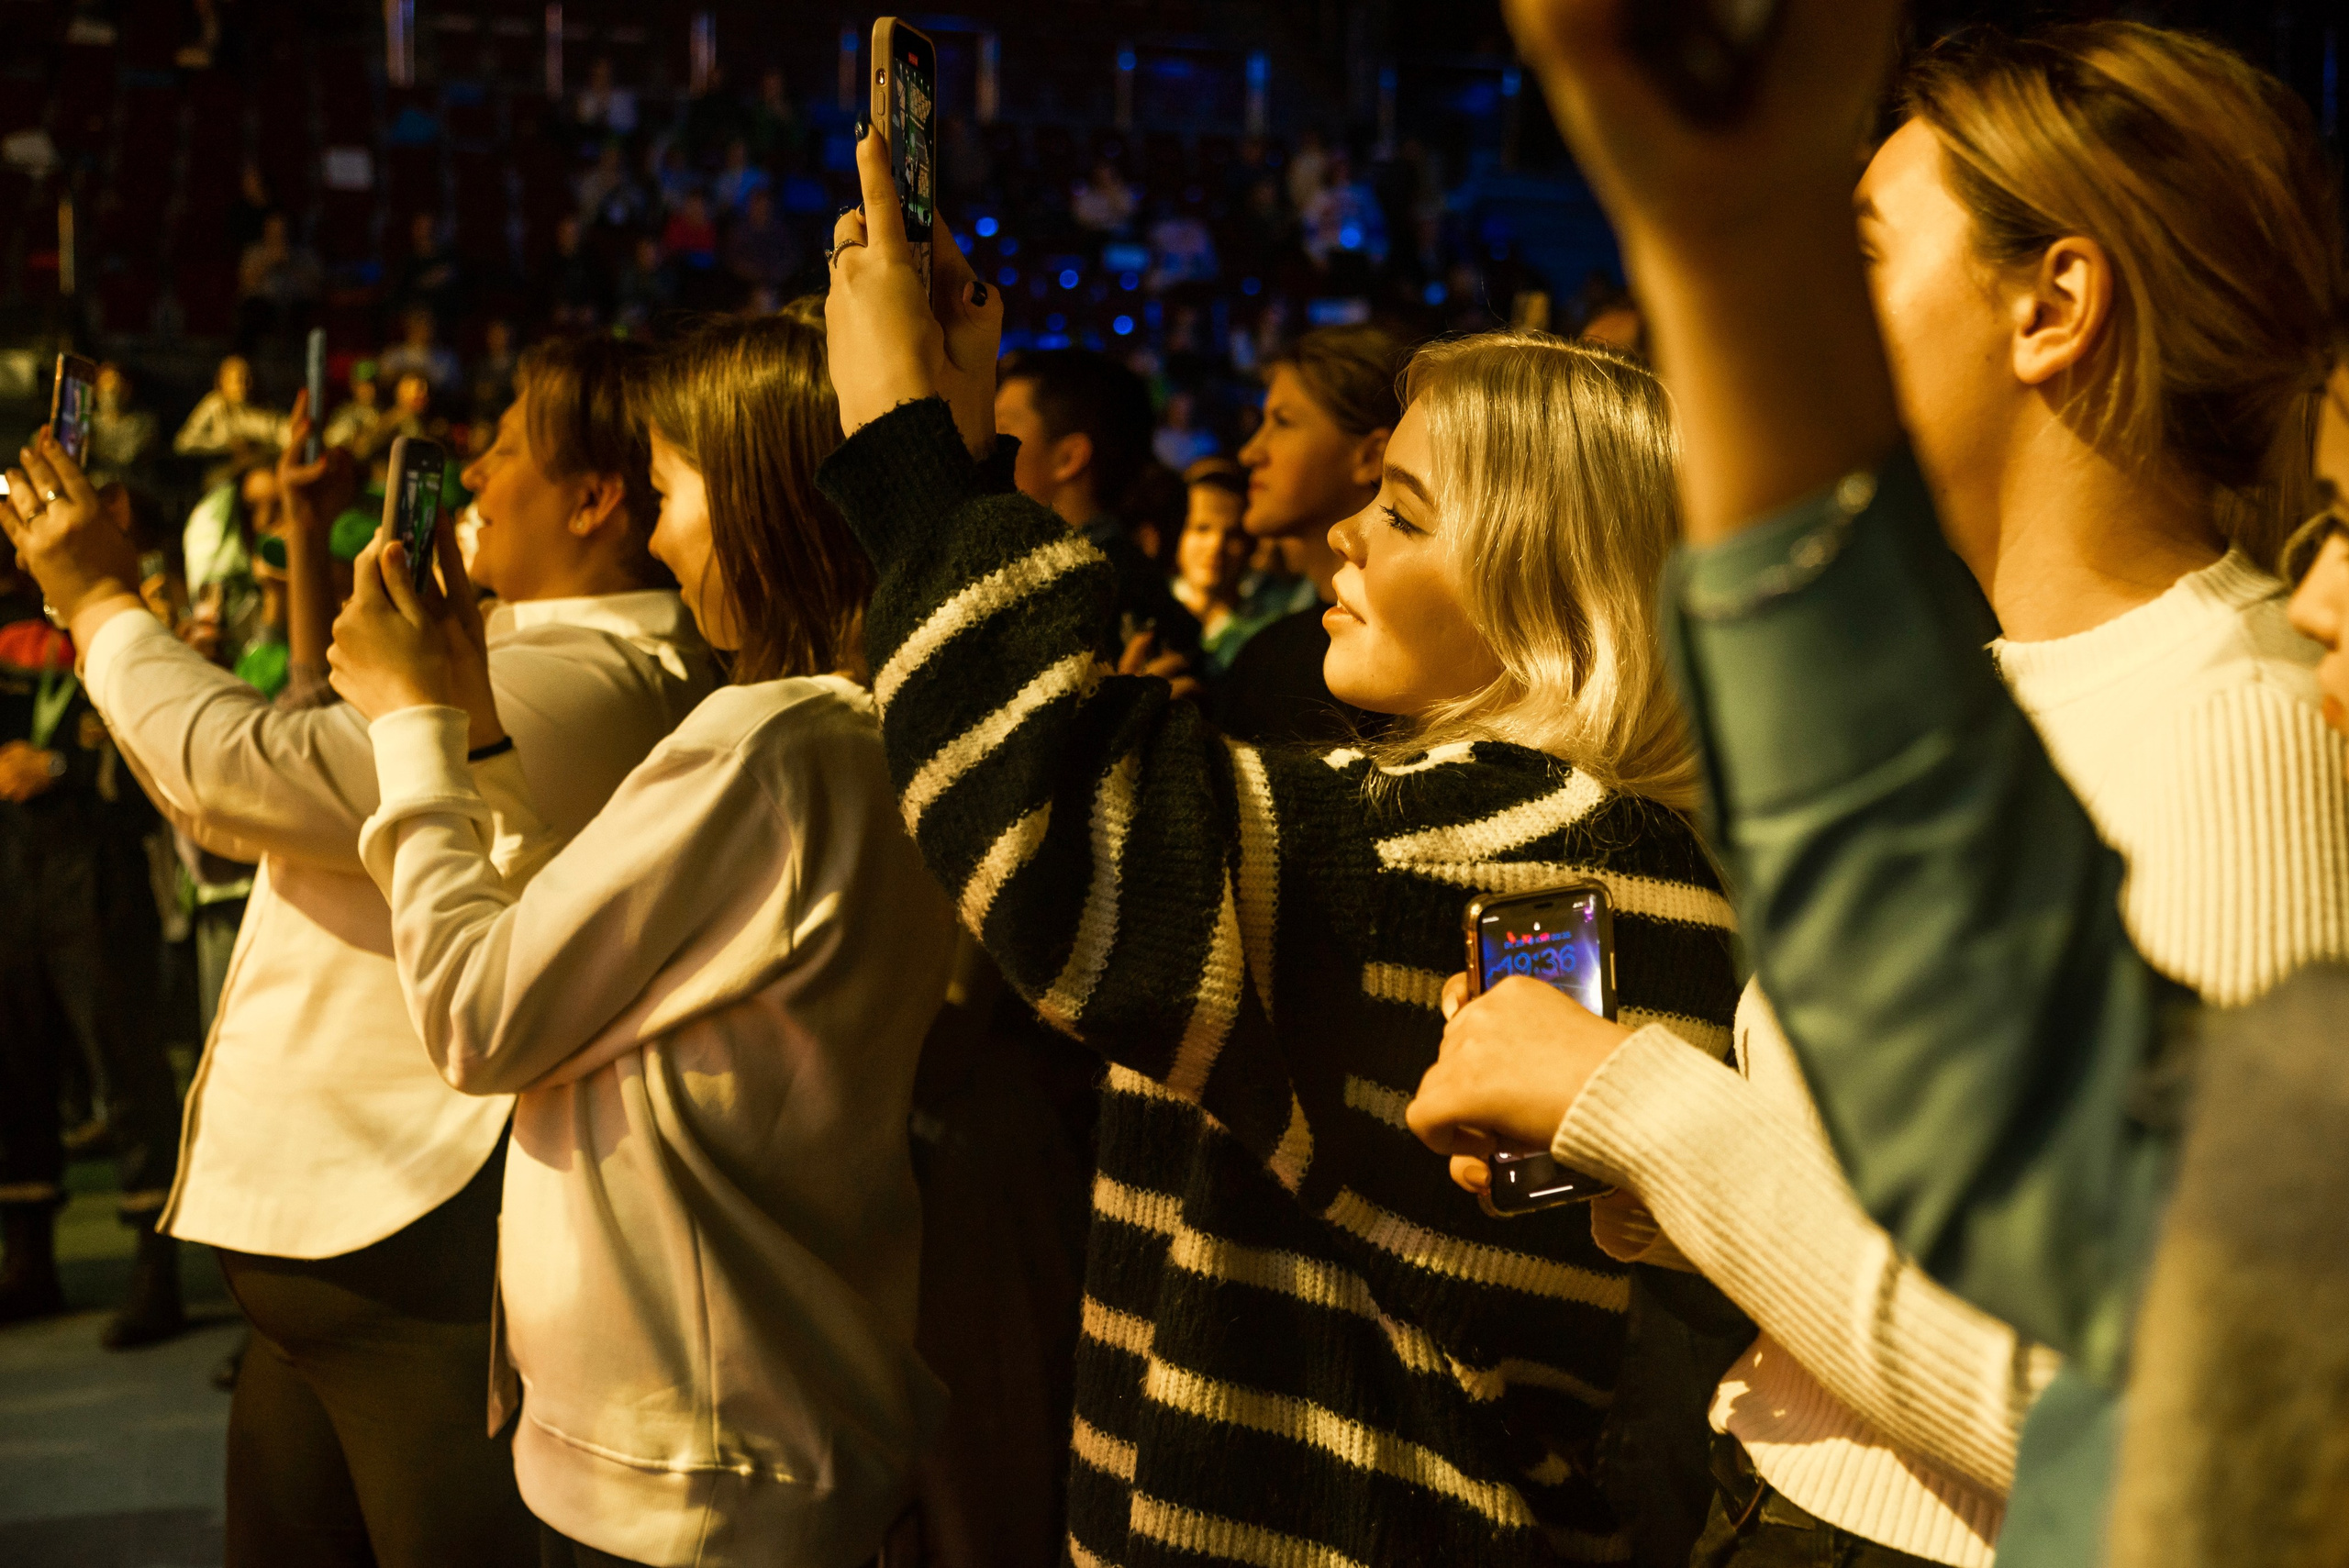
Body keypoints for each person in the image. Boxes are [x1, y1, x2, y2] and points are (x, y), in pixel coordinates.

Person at [1411, 18, 2348, 1567]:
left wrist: (1637, 1102)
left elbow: (2153, 1409)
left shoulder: (2235, 718)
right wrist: (1655, 1161)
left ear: (2053, 306)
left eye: (1857, 242)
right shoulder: (2004, 683)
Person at [824, 132, 1741, 1567]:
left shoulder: (1520, 848)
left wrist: (903, 440)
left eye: (1405, 513)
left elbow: (1055, 830)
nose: (1343, 546)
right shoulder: (1582, 836)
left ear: (1550, 584)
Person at [0, 335, 718, 1568]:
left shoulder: (591, 675)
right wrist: (310, 549)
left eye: (500, 451)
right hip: (340, 1270)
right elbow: (318, 758)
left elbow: (239, 780)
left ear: (597, 499)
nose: (473, 479)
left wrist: (95, 598)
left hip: (414, 1263)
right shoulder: (509, 649)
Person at [324, 300, 952, 1568]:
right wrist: (477, 722)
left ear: (766, 502)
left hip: (691, 1464)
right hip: (770, 1419)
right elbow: (575, 951)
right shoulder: (879, 725)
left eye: (671, 491)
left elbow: (480, 1013)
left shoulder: (765, 744)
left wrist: (408, 729)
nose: (664, 538)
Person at [0, 544, 185, 1349]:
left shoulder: (123, 630)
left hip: (98, 871)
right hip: (11, 870)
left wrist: (62, 763)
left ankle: (157, 1268)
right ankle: (28, 1260)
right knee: (15, 1064)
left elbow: (154, 751)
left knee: (127, 1069)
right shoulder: (6, 636)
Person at [1219, 325, 1408, 743]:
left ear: (1371, 456)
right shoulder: (1272, 655)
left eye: (1282, 423)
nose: (1250, 453)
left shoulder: (1403, 665)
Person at [993, 349, 1203, 664]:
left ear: (1069, 458)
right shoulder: (1095, 574)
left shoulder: (1087, 595)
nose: (985, 444)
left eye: (1002, 428)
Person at [1171, 463, 1275, 676]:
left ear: (1250, 544)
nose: (1216, 545)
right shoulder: (1141, 607)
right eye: (1201, 528)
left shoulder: (1266, 634)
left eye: (1233, 534)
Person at [173, 356, 288, 489]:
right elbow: (183, 443)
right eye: (237, 380)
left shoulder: (263, 410)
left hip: (262, 473)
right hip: (224, 477)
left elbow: (285, 436)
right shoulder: (215, 405)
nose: (243, 386)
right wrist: (227, 444)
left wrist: (260, 447)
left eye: (248, 379)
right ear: (222, 381)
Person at [378, 305, 461, 395]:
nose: (423, 326)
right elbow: (385, 382)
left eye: (428, 322)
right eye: (418, 321)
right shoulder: (392, 356)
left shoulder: (447, 358)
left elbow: (453, 388)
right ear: (407, 325)